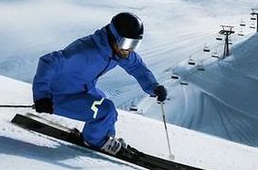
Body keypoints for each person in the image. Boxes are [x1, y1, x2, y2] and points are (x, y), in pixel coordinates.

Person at [31, 11, 168, 154]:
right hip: (57, 96)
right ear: (114, 36)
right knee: (106, 110)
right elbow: (48, 61)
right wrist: (42, 96)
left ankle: (106, 139)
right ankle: (95, 141)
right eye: (127, 43)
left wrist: (154, 87)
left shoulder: (117, 51)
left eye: (134, 44)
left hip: (82, 90)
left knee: (105, 105)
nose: (129, 49)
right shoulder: (85, 51)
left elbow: (136, 66)